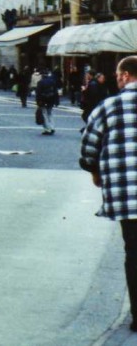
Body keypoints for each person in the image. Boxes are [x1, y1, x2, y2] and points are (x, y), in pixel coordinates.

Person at [80, 56, 137, 332]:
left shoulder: (109, 107)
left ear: (125, 75)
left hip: (127, 196)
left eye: (118, 75)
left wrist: (93, 170)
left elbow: (90, 143)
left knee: (134, 252)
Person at [35, 68, 60, 135]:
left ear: (42, 75)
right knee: (50, 113)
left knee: (44, 114)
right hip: (51, 99)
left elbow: (38, 93)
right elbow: (56, 92)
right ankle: (52, 127)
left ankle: (47, 129)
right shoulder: (52, 81)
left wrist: (38, 101)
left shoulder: (40, 82)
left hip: (43, 100)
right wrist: (57, 101)